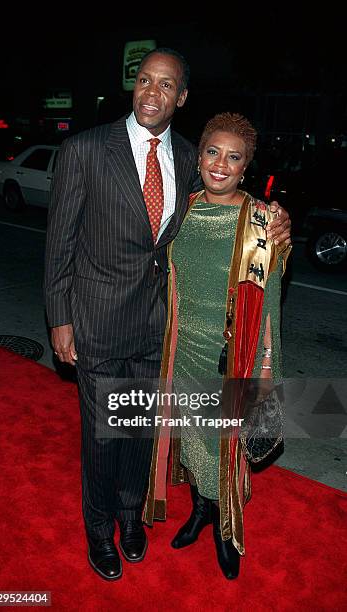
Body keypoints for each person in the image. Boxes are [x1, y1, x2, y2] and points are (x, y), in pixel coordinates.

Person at [44, 49, 291, 582]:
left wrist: (276, 222)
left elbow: (230, 204)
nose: (151, 92)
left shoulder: (186, 156)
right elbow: (59, 245)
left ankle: (132, 519)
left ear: (181, 97)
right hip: (98, 323)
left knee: (139, 432)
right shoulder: (84, 149)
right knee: (103, 435)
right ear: (135, 85)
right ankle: (99, 530)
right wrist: (61, 320)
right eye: (144, 80)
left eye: (166, 85)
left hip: (161, 328)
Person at [143, 112, 291, 580]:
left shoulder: (261, 220)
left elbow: (271, 298)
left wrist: (264, 371)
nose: (221, 165)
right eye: (213, 152)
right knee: (192, 437)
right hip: (182, 348)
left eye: (234, 157)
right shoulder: (180, 211)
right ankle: (202, 510)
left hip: (232, 354)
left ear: (246, 167)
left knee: (224, 444)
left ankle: (227, 528)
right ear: (199, 155)